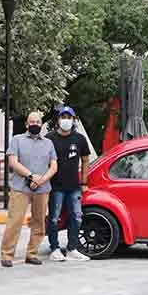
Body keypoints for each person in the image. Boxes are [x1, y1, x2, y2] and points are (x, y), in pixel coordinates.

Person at [0, 111, 58, 267]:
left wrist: (41, 180)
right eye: (32, 122)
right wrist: (31, 176)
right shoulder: (17, 140)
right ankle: (7, 255)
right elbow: (13, 162)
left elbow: (53, 166)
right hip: (20, 188)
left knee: (39, 222)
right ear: (26, 124)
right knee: (15, 221)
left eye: (38, 122)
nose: (35, 125)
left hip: (42, 188)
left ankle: (32, 253)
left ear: (41, 124)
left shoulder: (48, 143)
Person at [46, 106, 91, 262]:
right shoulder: (49, 138)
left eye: (68, 117)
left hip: (74, 187)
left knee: (77, 217)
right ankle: (54, 248)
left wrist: (84, 182)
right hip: (55, 186)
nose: (66, 120)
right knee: (54, 218)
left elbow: (86, 161)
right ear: (58, 120)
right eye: (63, 116)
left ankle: (72, 248)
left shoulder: (80, 139)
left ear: (73, 120)